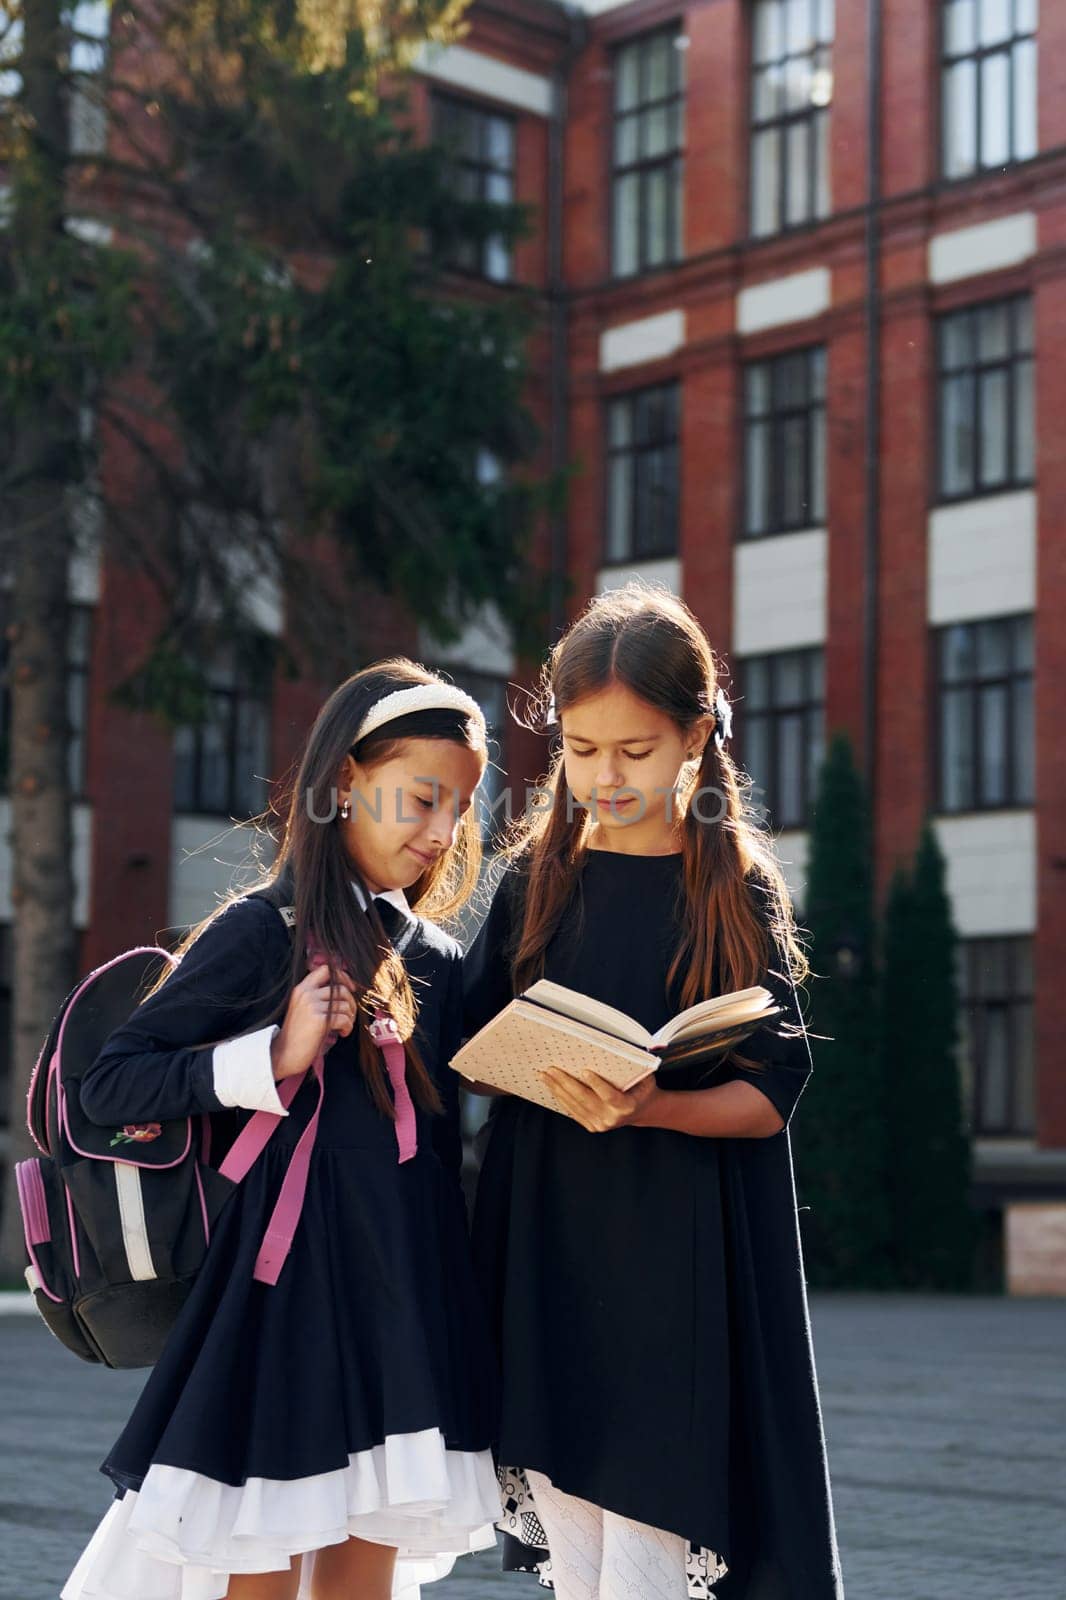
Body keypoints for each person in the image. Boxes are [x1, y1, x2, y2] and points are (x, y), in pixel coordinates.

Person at [63, 659, 502, 1600]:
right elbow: (109, 1086)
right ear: (344, 781)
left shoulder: (437, 961)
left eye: (460, 808)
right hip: (285, 1306)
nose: (442, 832)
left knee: (361, 1580)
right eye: (421, 799)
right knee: (257, 1572)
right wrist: (272, 1054)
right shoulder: (265, 931)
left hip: (406, 1309)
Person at [464, 586, 844, 1600]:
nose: (603, 775)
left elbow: (771, 1094)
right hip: (549, 1247)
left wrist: (652, 1105)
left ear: (694, 736)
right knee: (579, 1535)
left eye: (633, 749)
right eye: (581, 750)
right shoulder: (532, 883)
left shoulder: (735, 889)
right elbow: (459, 1036)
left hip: (678, 1260)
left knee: (655, 1522)